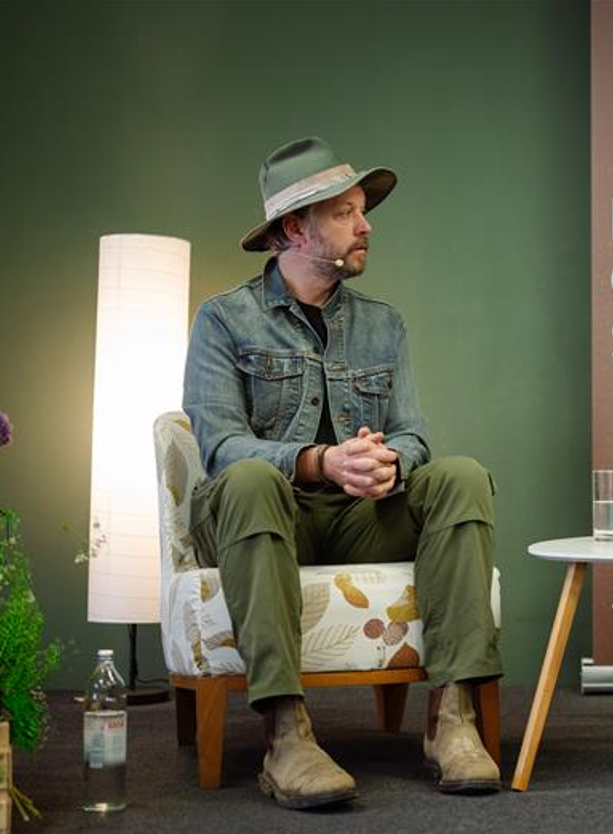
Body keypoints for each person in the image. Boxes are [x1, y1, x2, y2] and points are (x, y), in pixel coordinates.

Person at [183, 136, 502, 809]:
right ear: (294, 230)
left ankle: (452, 720)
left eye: (362, 210)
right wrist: (317, 461)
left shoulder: (383, 325)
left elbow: (414, 433)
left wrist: (390, 464)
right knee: (248, 478)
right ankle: (286, 736)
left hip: (358, 519)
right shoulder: (223, 320)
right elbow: (220, 447)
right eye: (344, 213)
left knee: (462, 476)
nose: (366, 226)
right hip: (264, 515)